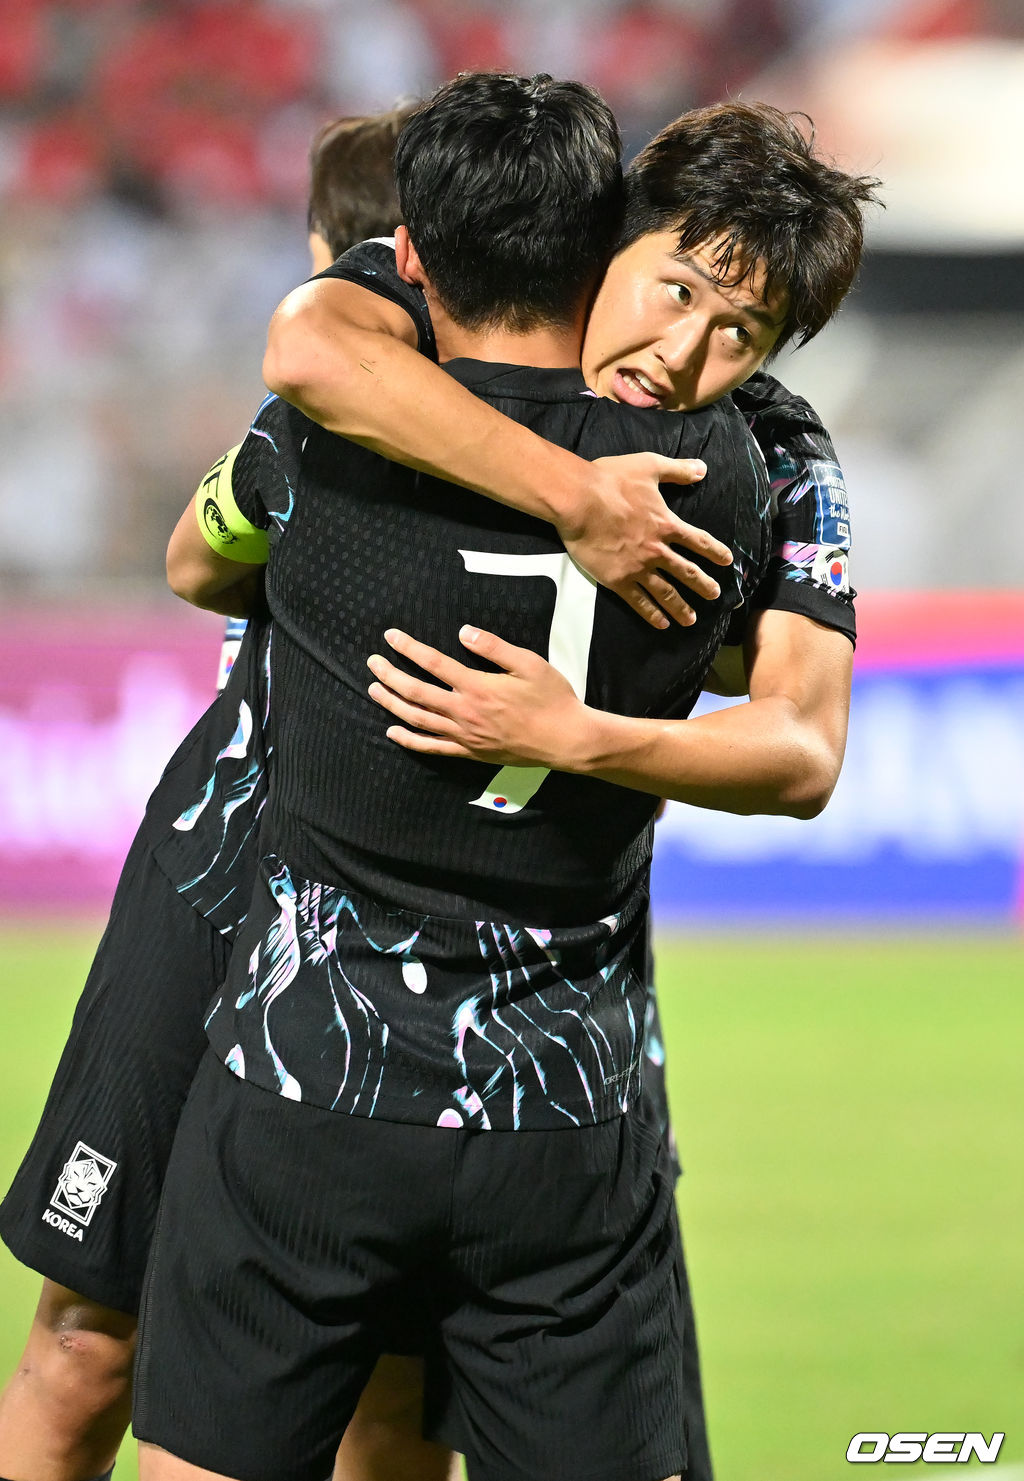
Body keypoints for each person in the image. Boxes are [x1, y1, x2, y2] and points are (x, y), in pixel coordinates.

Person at [132, 71, 847, 1481]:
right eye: (677, 287)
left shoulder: (760, 445)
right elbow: (310, 342)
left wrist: (577, 732)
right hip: (545, 1099)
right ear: (605, 241)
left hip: (351, 1071)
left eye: (741, 329)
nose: (685, 348)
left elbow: (806, 747)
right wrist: (580, 501)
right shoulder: (751, 457)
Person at [0, 104, 458, 1481]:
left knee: (377, 1379)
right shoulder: (310, 403)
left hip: (414, 915)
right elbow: (194, 555)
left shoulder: (520, 404)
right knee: (95, 1338)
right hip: (218, 877)